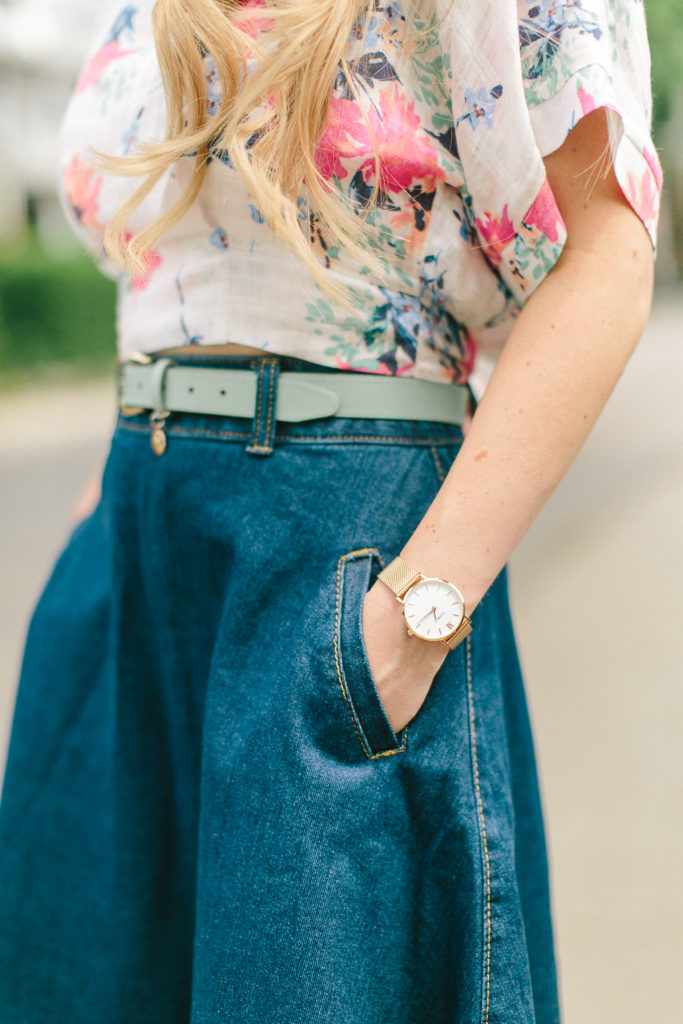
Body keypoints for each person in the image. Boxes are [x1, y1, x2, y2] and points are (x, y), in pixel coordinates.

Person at [0, 0, 662, 1021]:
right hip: (131, 553)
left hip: (340, 554)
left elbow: (605, 252)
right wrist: (105, 500)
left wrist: (411, 615)